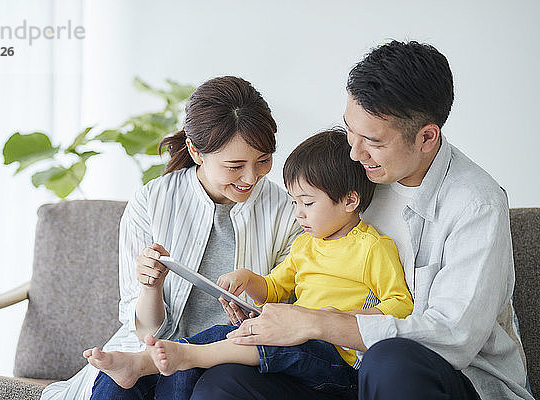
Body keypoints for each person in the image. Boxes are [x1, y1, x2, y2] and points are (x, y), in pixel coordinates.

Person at [192, 41, 534, 400]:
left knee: (390, 361)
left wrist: (318, 322)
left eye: (372, 140)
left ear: (426, 137)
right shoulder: (352, 178)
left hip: (449, 378)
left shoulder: (476, 204)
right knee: (224, 383)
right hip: (341, 369)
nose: (355, 152)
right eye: (350, 130)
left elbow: (453, 339)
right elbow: (309, 272)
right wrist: (264, 310)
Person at [83, 129, 414, 397]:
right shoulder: (305, 245)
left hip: (334, 357)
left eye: (307, 203)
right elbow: (273, 289)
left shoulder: (372, 247)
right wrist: (247, 280)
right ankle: (157, 360)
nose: (297, 213)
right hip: (295, 340)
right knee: (227, 333)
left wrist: (332, 319)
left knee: (259, 342)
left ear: (349, 201)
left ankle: (181, 356)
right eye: (295, 202)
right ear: (197, 153)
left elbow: (401, 306)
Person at [40, 76, 302, 400]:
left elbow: (291, 308)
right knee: (111, 388)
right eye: (235, 166)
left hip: (228, 357)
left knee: (181, 375)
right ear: (195, 150)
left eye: (263, 161)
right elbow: (144, 330)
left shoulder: (288, 210)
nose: (251, 177)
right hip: (148, 347)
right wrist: (151, 287)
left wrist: (254, 305)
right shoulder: (152, 201)